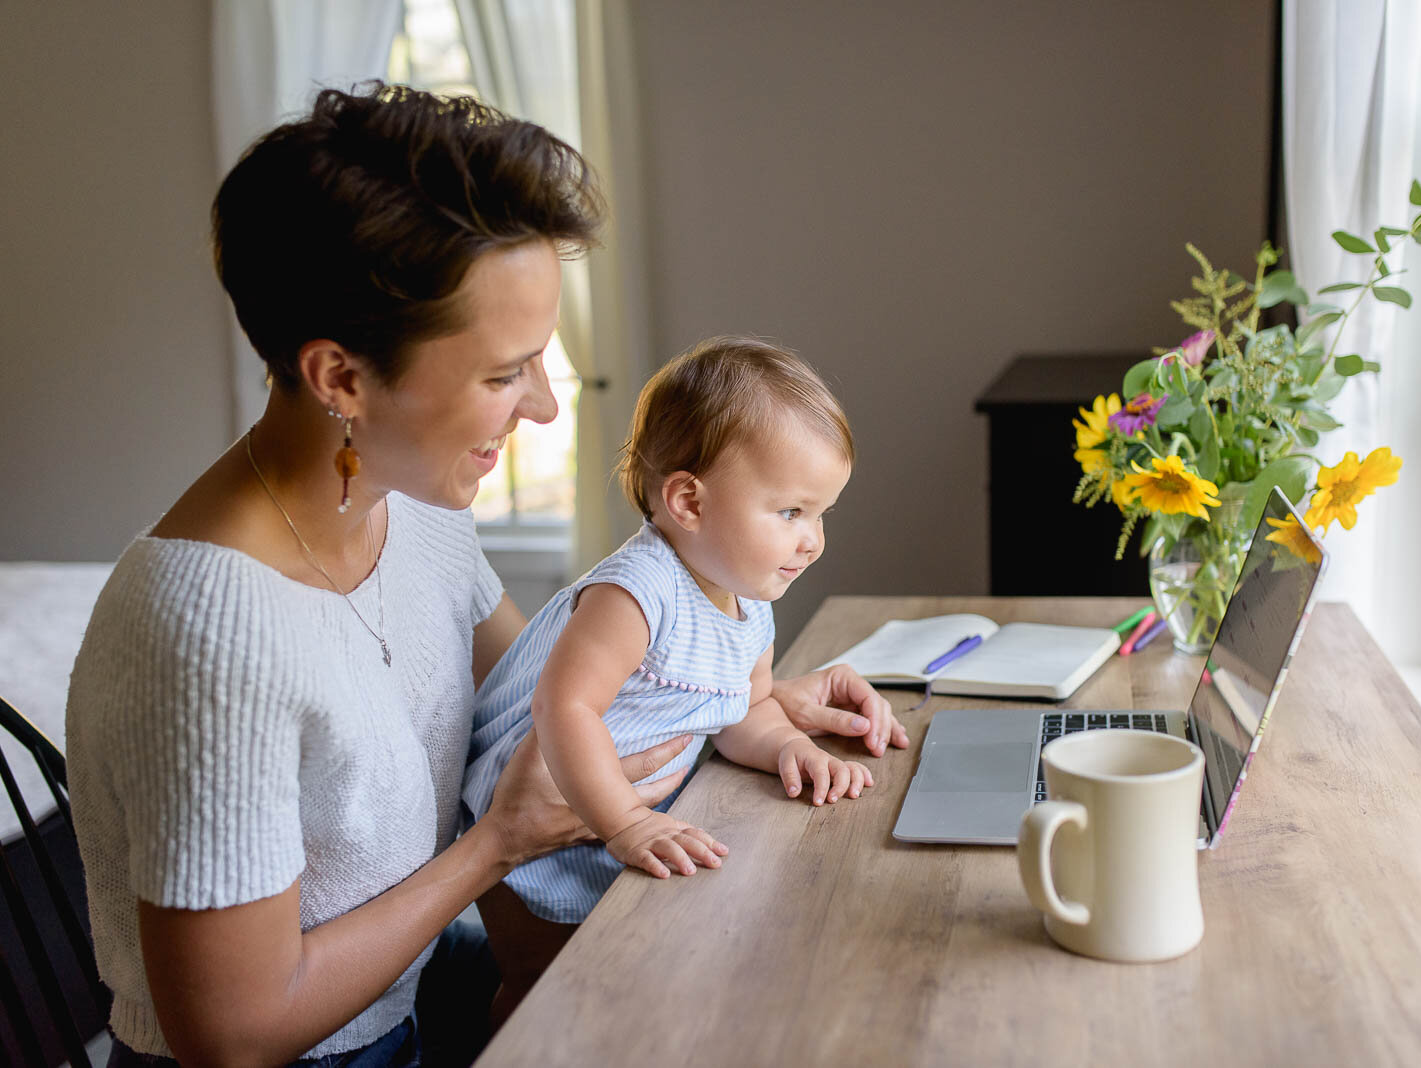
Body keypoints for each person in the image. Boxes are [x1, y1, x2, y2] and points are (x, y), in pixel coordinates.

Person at [64, 84, 905, 1068]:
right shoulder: (204, 634)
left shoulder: (412, 513)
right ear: (341, 378)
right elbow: (232, 1033)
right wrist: (492, 850)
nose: (545, 407)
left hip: (410, 991)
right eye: (504, 374)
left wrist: (746, 695)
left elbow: (542, 699)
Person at [462, 337, 870, 1011]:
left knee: (629, 982)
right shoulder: (635, 593)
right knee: (544, 990)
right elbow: (565, 710)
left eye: (822, 514)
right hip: (535, 832)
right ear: (688, 502)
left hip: (631, 818)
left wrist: (791, 747)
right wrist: (624, 822)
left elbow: (747, 706)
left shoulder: (747, 591)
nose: (813, 539)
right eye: (792, 512)